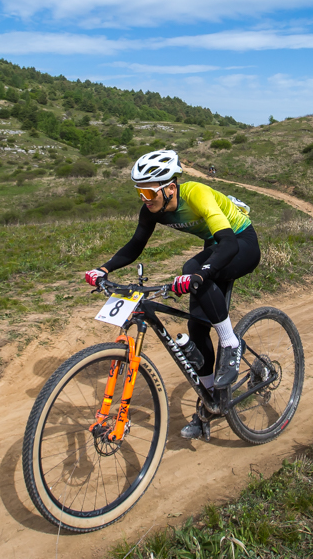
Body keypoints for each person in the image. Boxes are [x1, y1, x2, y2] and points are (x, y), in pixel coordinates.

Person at [84, 149, 261, 440]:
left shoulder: (196, 194)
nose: (144, 198)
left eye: (149, 192)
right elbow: (134, 246)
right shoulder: (151, 208)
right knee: (197, 328)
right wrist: (103, 269)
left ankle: (231, 343)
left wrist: (200, 273)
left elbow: (228, 244)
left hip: (240, 242)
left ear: (169, 187)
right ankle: (211, 403)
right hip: (216, 247)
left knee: (192, 267)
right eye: (139, 192)